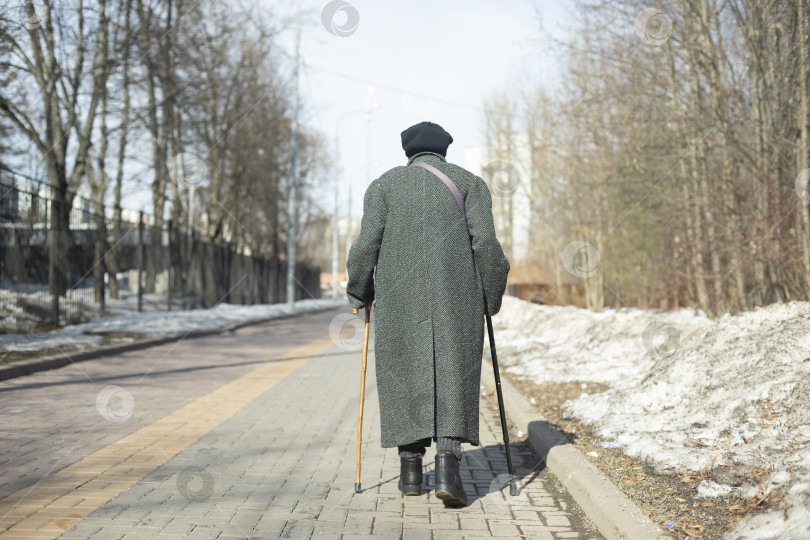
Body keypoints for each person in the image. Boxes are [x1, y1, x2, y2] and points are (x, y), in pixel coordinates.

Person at [345, 121, 510, 507]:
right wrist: (490, 298)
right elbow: (486, 245)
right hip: (459, 299)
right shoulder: (470, 184)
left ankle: (410, 473)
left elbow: (366, 245)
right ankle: (449, 470)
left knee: (404, 373)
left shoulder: (383, 186)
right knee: (454, 371)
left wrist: (359, 292)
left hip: (399, 302)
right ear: (445, 150)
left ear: (408, 152)